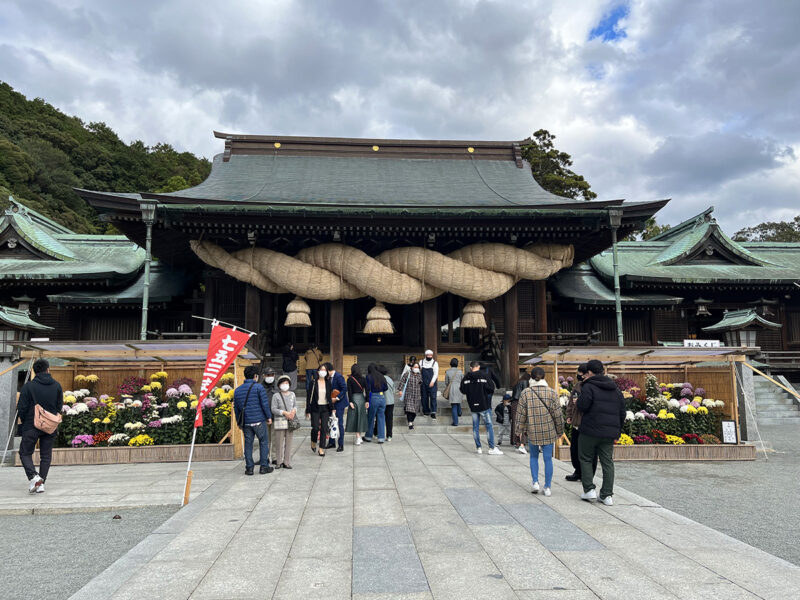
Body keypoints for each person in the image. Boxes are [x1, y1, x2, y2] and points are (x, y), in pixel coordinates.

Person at [576, 359, 625, 506]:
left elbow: (583, 406)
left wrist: (577, 401)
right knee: (607, 462)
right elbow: (622, 412)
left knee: (585, 458)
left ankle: (589, 490)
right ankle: (607, 495)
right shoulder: (615, 388)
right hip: (609, 432)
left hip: (590, 430)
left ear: (589, 372)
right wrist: (617, 431)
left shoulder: (589, 387)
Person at [17, 358, 63, 493]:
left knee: (25, 453)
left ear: (34, 371)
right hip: (49, 425)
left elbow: (22, 408)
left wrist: (25, 422)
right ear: (48, 369)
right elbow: (59, 406)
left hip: (31, 425)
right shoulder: (57, 385)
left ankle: (34, 476)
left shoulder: (28, 386)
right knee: (46, 456)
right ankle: (41, 482)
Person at [516, 367, 563, 496]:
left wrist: (518, 430)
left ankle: (535, 482)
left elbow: (520, 414)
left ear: (531, 377)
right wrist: (560, 430)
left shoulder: (526, 393)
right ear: (544, 377)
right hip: (548, 430)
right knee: (548, 459)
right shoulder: (552, 393)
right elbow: (558, 415)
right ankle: (547, 487)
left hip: (532, 429)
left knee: (533, 457)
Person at [233, 366, 274, 475]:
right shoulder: (259, 388)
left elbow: (236, 408)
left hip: (246, 422)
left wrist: (239, 422)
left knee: (248, 444)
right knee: (263, 442)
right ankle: (264, 466)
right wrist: (268, 417)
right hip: (259, 421)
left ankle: (249, 468)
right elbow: (264, 404)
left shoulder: (237, 390)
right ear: (255, 376)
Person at [460, 361, 502, 455]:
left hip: (472, 405)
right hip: (484, 404)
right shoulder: (484, 375)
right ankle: (491, 447)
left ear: (471, 367)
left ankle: (478, 447)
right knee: (489, 426)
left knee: (475, 427)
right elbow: (491, 388)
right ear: (478, 367)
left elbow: (462, 389)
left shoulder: (466, 377)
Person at [565, 363, 597, 482]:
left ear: (586, 374)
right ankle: (577, 471)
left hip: (588, 423)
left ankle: (588, 476)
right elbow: (570, 402)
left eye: (580, 373)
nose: (578, 375)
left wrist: (581, 400)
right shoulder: (577, 385)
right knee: (575, 450)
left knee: (589, 453)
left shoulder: (593, 387)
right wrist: (569, 415)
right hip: (576, 422)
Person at [306, 363, 332, 456]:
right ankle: (313, 441)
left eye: (325, 370)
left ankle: (321, 448)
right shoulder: (313, 382)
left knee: (324, 428)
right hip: (315, 408)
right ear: (318, 371)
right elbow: (309, 397)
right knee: (316, 427)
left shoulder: (328, 382)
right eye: (321, 370)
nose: (323, 372)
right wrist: (307, 410)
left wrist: (332, 409)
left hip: (325, 407)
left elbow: (329, 396)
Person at [271, 375, 297, 469]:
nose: (285, 385)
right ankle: (279, 461)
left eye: (286, 383)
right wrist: (284, 413)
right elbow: (273, 409)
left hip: (290, 421)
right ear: (279, 385)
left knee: (289, 442)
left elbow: (295, 405)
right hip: (280, 421)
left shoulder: (292, 394)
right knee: (279, 442)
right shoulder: (276, 396)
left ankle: (287, 462)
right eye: (283, 383)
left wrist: (293, 411)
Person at [325, 361, 348, 452]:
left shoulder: (338, 376)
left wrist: (337, 398)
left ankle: (341, 444)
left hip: (339, 403)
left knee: (339, 423)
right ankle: (331, 442)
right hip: (331, 403)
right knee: (331, 422)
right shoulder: (328, 378)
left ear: (329, 370)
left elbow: (344, 388)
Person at [364, 363, 388, 443]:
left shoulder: (369, 376)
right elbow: (386, 387)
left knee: (371, 417)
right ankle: (381, 438)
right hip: (382, 397)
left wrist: (366, 400)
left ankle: (368, 436)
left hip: (373, 397)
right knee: (381, 418)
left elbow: (367, 389)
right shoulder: (381, 376)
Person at [345, 364, 368, 445]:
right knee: (361, 418)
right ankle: (360, 436)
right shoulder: (363, 379)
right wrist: (367, 401)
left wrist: (350, 401)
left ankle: (358, 437)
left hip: (354, 399)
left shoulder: (350, 379)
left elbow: (349, 391)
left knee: (355, 418)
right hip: (361, 399)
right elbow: (367, 390)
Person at [261, 367, 279, 465]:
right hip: (263, 416)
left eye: (272, 375)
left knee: (275, 438)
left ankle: (275, 457)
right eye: (268, 375)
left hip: (275, 416)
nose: (270, 377)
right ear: (263, 376)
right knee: (264, 439)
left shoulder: (277, 386)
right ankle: (265, 457)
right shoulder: (260, 387)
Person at [397, 361, 423, 429]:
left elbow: (421, 383)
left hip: (417, 394)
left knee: (415, 410)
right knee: (409, 408)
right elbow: (402, 381)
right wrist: (400, 390)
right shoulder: (407, 373)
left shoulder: (419, 375)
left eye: (418, 367)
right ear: (412, 367)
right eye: (415, 367)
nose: (416, 368)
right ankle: (410, 422)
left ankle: (412, 420)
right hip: (409, 394)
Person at [511, 371, 531, 455]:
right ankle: (520, 442)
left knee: (515, 422)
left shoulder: (518, 382)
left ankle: (515, 441)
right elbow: (525, 394)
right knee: (521, 423)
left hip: (514, 403)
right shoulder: (525, 382)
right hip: (519, 403)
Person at [376, 365, 395, 441]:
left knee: (379, 418)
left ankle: (377, 432)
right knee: (389, 419)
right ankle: (389, 435)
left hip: (382, 401)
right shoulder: (390, 379)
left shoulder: (378, 379)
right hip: (391, 402)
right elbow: (393, 391)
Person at [444, 357, 464, 426]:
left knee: (454, 405)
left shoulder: (447, 371)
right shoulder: (460, 371)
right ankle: (459, 412)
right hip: (459, 388)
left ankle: (455, 422)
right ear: (457, 364)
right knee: (458, 401)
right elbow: (463, 381)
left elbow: (446, 382)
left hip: (452, 388)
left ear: (450, 364)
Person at [420, 349, 439, 418]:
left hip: (432, 383)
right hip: (423, 383)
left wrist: (432, 381)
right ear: (425, 355)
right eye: (428, 355)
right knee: (424, 397)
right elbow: (419, 372)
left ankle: (433, 412)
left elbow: (436, 373)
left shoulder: (435, 363)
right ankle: (426, 411)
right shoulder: (421, 362)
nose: (429, 356)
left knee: (433, 397)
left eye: (431, 355)